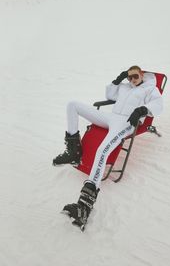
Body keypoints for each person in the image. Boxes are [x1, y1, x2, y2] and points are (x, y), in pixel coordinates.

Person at [53, 65, 163, 229]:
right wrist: (117, 81)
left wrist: (142, 109)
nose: (132, 80)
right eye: (130, 77)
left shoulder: (150, 88)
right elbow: (110, 95)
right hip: (110, 117)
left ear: (142, 75)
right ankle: (74, 151)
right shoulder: (126, 86)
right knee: (72, 105)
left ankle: (84, 206)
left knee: (102, 150)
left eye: (136, 77)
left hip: (126, 123)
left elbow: (158, 105)